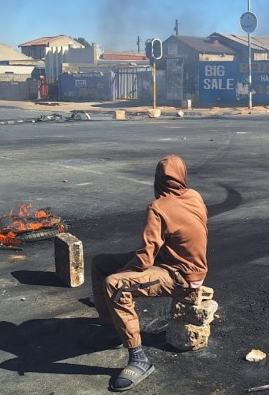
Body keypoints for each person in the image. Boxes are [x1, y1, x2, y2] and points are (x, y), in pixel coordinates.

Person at [88, 155, 208, 392]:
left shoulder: (158, 208)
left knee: (114, 284)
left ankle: (138, 358)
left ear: (157, 180)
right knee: (100, 263)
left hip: (180, 276)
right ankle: (113, 330)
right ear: (182, 177)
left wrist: (122, 275)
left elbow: (144, 259)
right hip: (176, 264)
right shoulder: (194, 196)